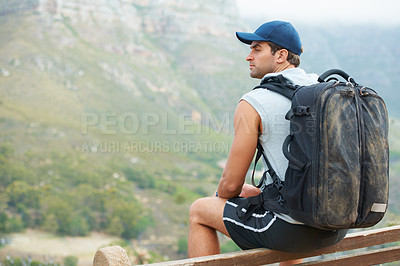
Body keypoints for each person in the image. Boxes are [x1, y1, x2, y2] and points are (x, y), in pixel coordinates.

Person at [188, 20, 347, 265]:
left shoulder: (254, 102)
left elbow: (230, 185)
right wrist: (262, 193)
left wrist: (221, 196)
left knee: (200, 210)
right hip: (334, 226)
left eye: (257, 49)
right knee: (284, 211)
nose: (248, 56)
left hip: (292, 231)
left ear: (281, 55)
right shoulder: (324, 91)